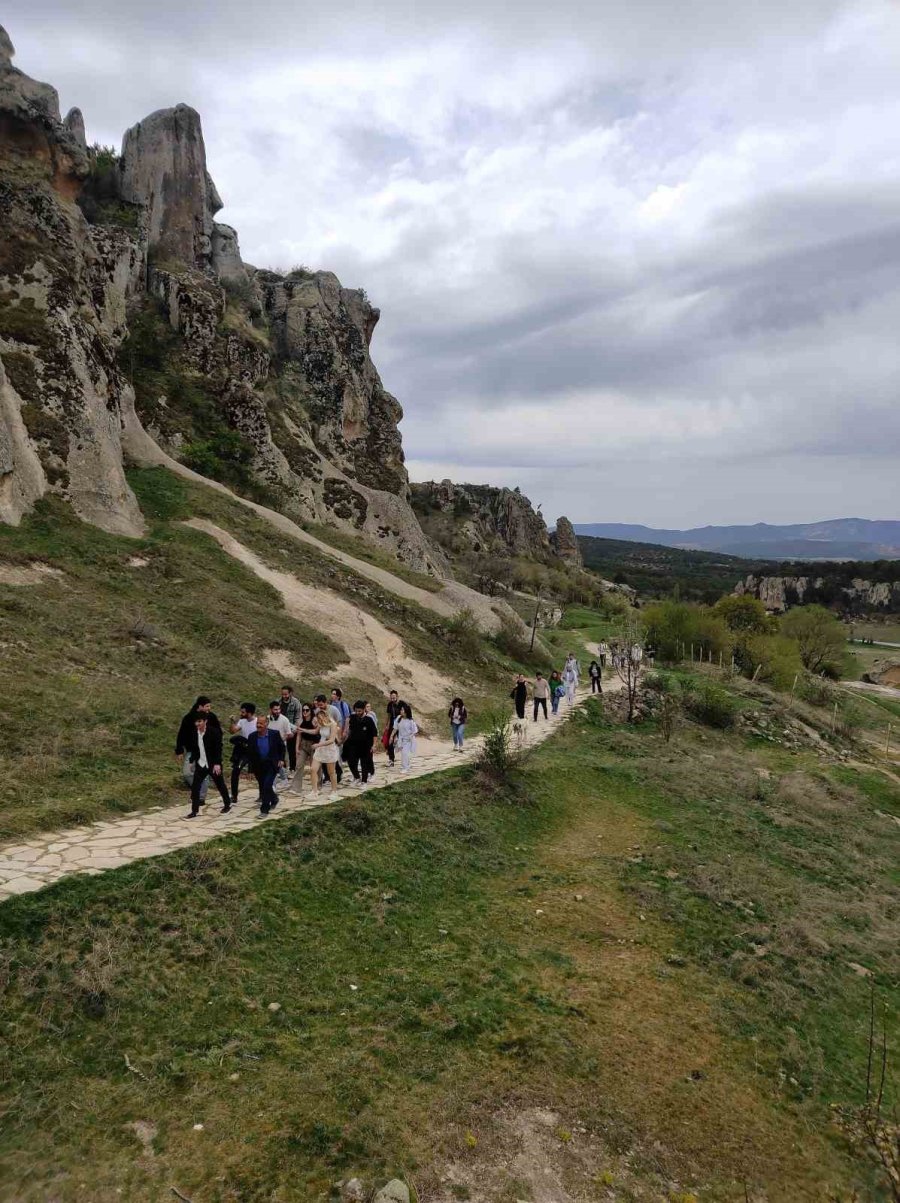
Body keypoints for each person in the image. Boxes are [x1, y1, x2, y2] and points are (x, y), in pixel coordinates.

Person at [175, 695, 221, 802]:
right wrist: (179, 750)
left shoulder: (212, 717)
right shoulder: (189, 717)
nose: (209, 708)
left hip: (207, 751)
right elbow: (182, 734)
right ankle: (198, 790)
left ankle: (200, 797)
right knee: (187, 773)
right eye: (207, 706)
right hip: (192, 751)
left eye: (210, 706)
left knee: (203, 774)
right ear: (200, 706)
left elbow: (218, 733)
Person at [185, 713, 231, 818]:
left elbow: (218, 749)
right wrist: (192, 760)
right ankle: (194, 811)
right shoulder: (193, 733)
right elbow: (195, 748)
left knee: (220, 784)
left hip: (213, 764)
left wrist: (217, 764)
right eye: (196, 722)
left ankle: (227, 804)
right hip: (201, 764)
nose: (197, 724)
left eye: (200, 721)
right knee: (195, 787)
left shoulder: (214, 732)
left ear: (205, 721)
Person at [247, 714, 286, 815]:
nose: (258, 725)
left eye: (261, 723)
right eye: (257, 723)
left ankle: (264, 809)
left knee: (267, 786)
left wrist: (281, 759)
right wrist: (250, 770)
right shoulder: (252, 737)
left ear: (266, 724)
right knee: (264, 786)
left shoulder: (274, 734)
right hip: (258, 766)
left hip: (272, 765)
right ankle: (274, 799)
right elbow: (250, 754)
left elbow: (282, 747)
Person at [228, 701, 257, 806]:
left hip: (254, 750)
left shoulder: (257, 722)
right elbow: (232, 731)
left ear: (249, 713)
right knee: (235, 770)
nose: (241, 714)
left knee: (258, 773)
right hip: (243, 750)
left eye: (243, 712)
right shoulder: (242, 721)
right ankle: (234, 796)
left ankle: (264, 794)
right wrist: (232, 722)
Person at [311, 703, 342, 796]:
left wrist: (318, 744)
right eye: (318, 719)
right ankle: (314, 791)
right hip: (320, 749)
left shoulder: (333, 724)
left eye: (320, 719)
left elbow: (332, 740)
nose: (319, 721)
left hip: (329, 750)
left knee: (331, 772)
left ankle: (334, 791)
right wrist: (302, 729)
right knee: (313, 769)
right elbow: (315, 731)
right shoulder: (321, 723)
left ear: (325, 716)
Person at [289, 702, 320, 792]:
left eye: (307, 710)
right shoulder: (300, 721)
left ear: (311, 711)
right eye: (303, 710)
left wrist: (303, 730)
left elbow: (316, 732)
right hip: (304, 744)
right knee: (299, 765)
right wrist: (296, 748)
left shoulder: (315, 720)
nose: (305, 712)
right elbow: (299, 735)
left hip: (314, 744)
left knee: (314, 767)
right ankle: (296, 787)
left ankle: (317, 786)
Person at [345, 700, 377, 785]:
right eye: (356, 711)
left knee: (364, 763)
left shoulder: (369, 720)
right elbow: (349, 730)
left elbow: (374, 733)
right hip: (353, 744)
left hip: (366, 745)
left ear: (363, 710)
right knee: (351, 761)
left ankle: (364, 781)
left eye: (359, 711)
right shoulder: (353, 718)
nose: (357, 712)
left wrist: (374, 745)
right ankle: (356, 777)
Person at [267, 700, 295, 783]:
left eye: (279, 709)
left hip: (281, 745)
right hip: (269, 745)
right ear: (271, 710)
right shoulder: (267, 719)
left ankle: (281, 779)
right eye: (275, 709)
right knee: (273, 764)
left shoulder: (284, 720)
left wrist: (281, 739)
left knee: (279, 763)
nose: (278, 711)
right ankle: (282, 779)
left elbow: (289, 734)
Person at [279, 685, 301, 773]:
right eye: (283, 694)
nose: (284, 696)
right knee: (281, 749)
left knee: (291, 749)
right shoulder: (278, 702)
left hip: (292, 728)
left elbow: (298, 717)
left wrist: (294, 730)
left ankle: (292, 768)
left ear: (290, 693)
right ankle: (283, 768)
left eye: (286, 694)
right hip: (281, 728)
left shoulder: (296, 702)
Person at [392, 702, 418, 772]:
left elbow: (415, 731)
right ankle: (407, 764)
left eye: (402, 710)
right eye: (401, 710)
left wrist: (411, 736)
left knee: (405, 753)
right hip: (401, 739)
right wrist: (391, 736)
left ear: (406, 711)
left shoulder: (410, 721)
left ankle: (405, 767)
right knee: (402, 753)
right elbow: (395, 728)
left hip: (408, 740)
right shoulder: (399, 718)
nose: (401, 711)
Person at [384, 689, 401, 766]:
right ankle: (391, 760)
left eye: (394, 697)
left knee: (403, 741)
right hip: (392, 725)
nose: (392, 699)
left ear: (397, 696)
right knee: (390, 741)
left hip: (400, 724)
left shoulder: (401, 704)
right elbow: (388, 715)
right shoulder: (389, 704)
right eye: (391, 698)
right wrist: (387, 725)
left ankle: (406, 759)